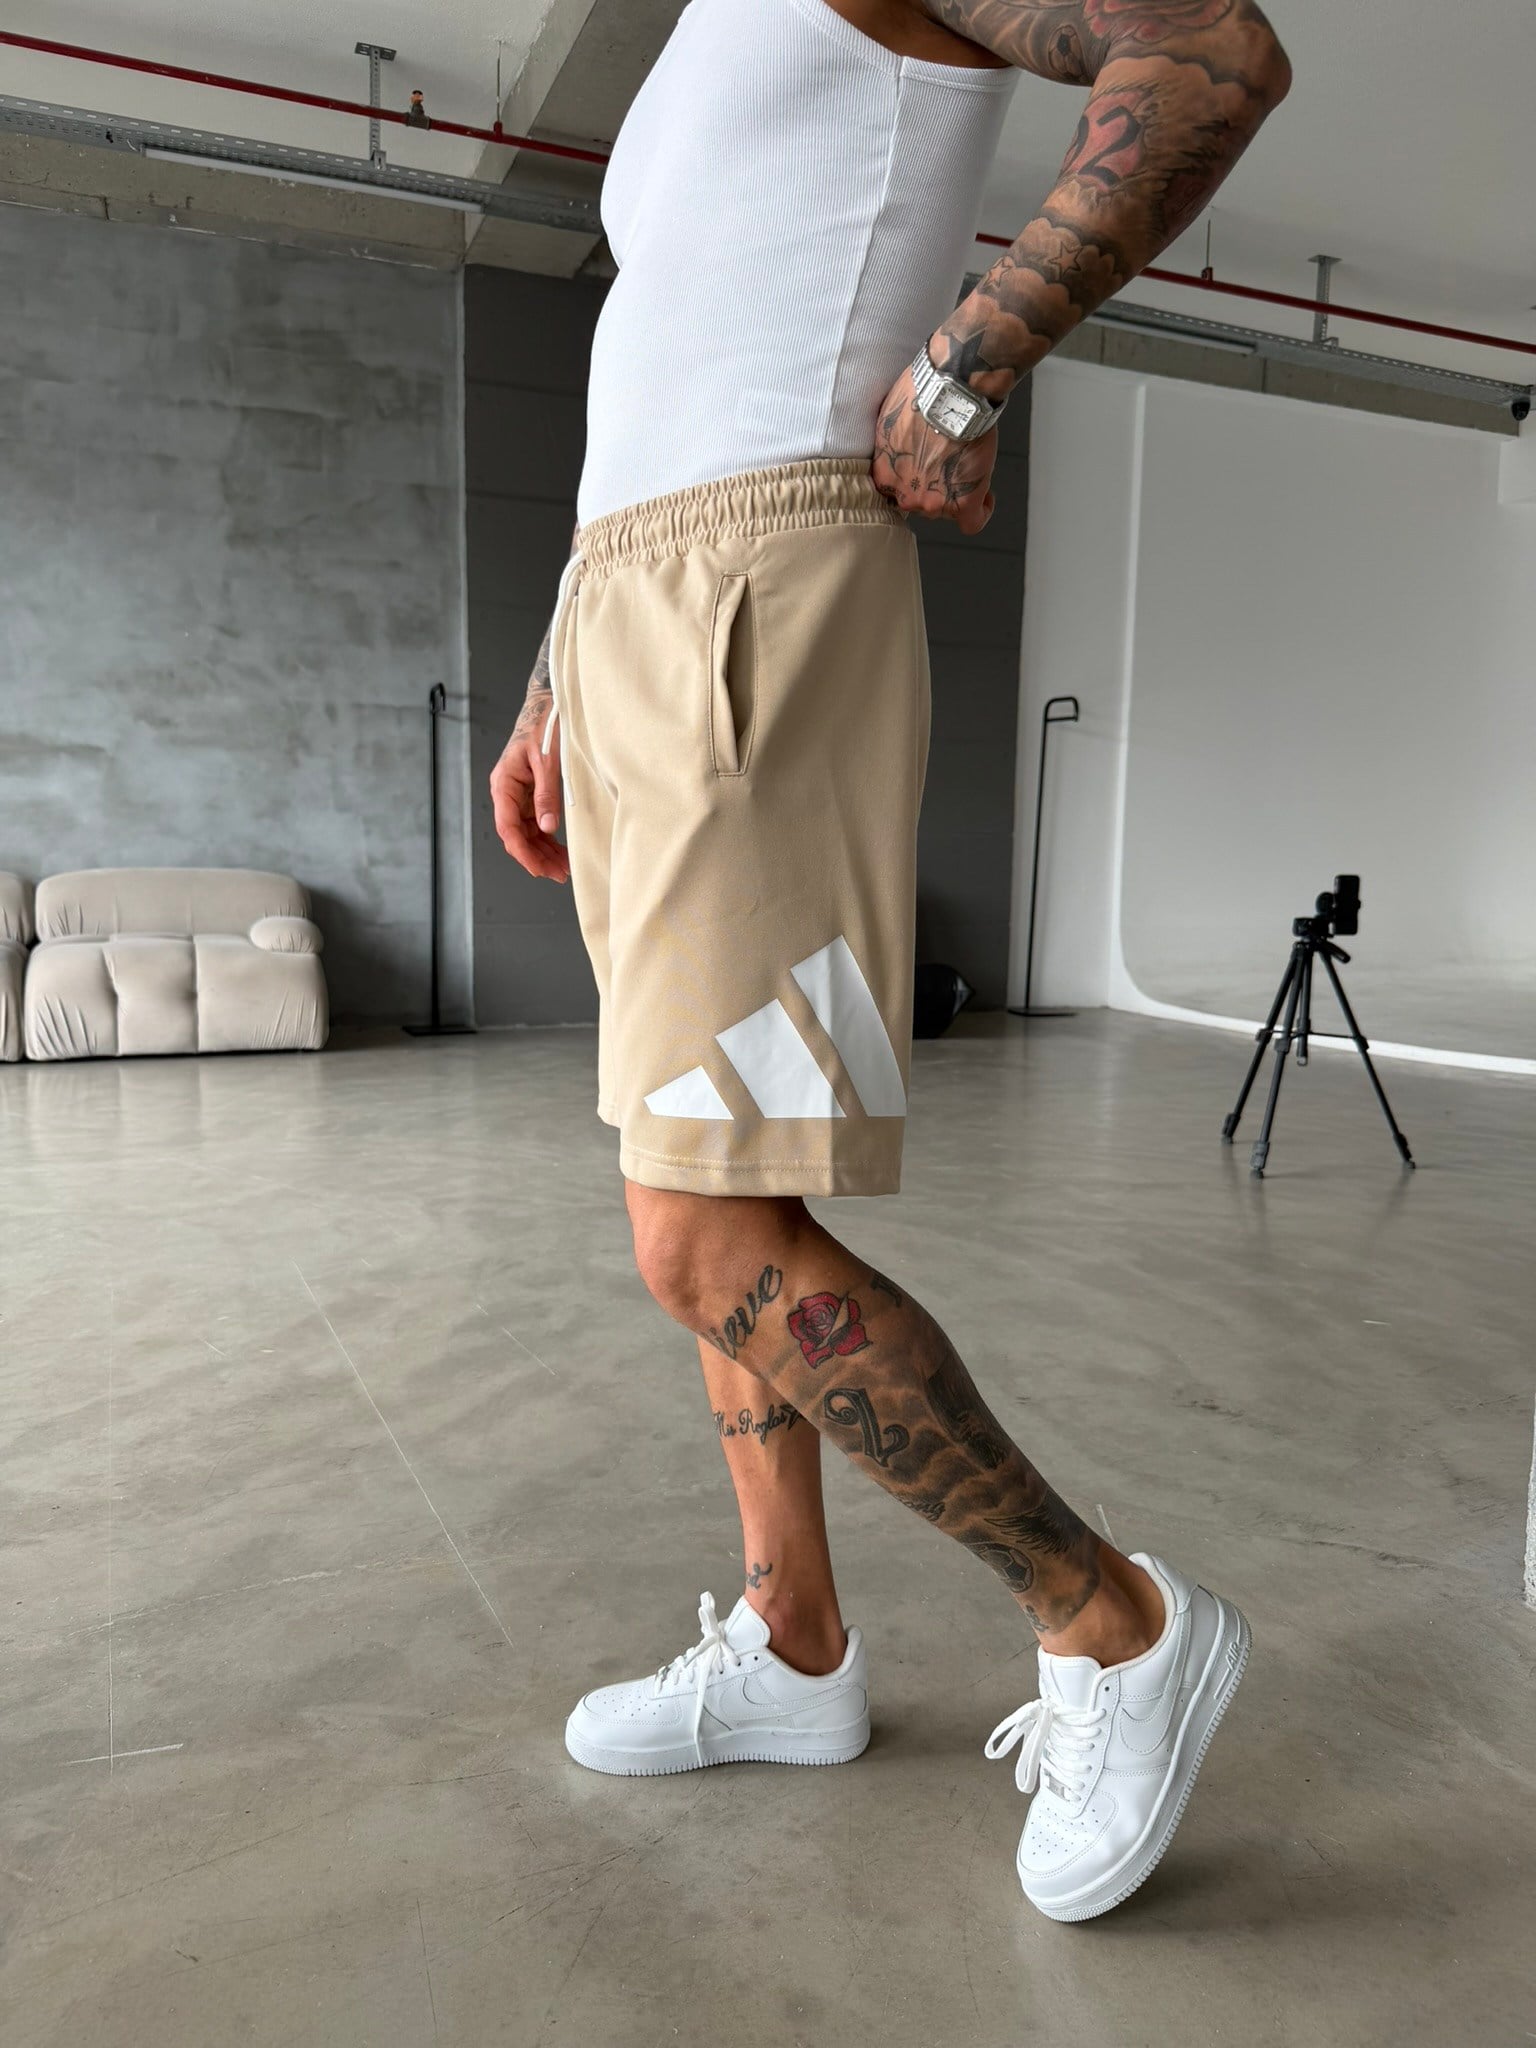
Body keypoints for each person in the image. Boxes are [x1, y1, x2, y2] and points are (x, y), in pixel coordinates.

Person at [491, 0, 1289, 1923]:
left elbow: (1208, 54)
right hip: (639, 604)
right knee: (699, 1188)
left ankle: (1112, 1623)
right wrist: (559, 663)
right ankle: (796, 1650)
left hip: (757, 588)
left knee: (705, 1244)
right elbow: (676, 340)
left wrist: (968, 364)